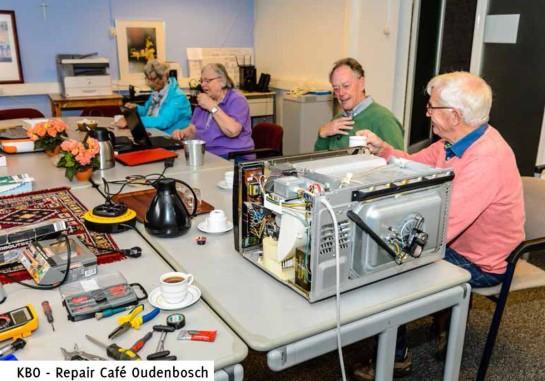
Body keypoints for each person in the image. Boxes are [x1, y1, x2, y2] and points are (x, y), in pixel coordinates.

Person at [352, 71, 525, 380]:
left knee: (391, 265)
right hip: (459, 243)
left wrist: (385, 235)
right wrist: (384, 151)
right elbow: (413, 165)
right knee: (387, 252)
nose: (427, 112)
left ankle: (394, 357)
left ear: (455, 115)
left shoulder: (487, 159)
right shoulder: (454, 141)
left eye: (432, 107)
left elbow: (439, 233)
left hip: (484, 261)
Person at [314, 57, 404, 151]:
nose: (340, 93)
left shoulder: (384, 119)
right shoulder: (337, 119)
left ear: (361, 84)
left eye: (346, 86)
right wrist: (322, 134)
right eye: (336, 88)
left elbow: (400, 161)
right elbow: (317, 162)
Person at [172, 63, 254, 159]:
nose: (202, 85)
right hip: (207, 154)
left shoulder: (237, 99)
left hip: (233, 156)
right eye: (201, 81)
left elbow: (233, 131)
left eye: (207, 81)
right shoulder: (204, 100)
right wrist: (182, 133)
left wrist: (211, 107)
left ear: (222, 81)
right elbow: (193, 129)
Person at [115, 59, 191, 135]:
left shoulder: (178, 97)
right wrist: (136, 108)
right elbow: (147, 112)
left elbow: (162, 122)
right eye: (147, 78)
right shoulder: (157, 91)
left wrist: (131, 121)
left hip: (170, 138)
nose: (149, 83)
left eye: (153, 79)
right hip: (154, 133)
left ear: (164, 77)